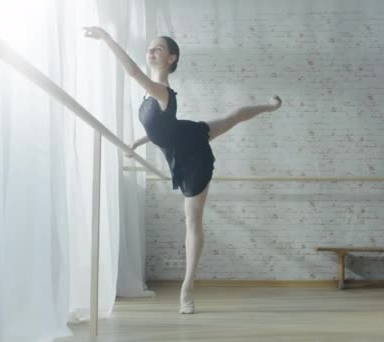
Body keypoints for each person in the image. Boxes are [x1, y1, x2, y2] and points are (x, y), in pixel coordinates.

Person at [83, 26, 282, 314]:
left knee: (192, 221)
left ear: (171, 59)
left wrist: (107, 38)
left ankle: (187, 287)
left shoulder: (161, 91)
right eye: (150, 47)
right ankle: (269, 106)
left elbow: (133, 73)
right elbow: (161, 130)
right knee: (232, 117)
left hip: (193, 156)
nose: (151, 50)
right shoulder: (151, 98)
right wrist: (137, 142)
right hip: (182, 136)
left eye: (158, 49)